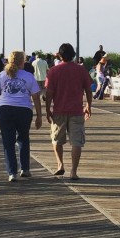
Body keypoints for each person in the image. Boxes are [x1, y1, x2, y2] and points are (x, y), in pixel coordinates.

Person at [0, 50, 43, 182]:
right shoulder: (29, 76)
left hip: (5, 109)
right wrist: (39, 116)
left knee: (8, 141)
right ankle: (25, 169)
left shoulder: (2, 75)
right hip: (24, 110)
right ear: (22, 61)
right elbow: (36, 97)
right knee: (23, 138)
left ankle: (12, 172)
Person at [44, 42, 93, 180]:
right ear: (73, 55)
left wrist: (48, 110)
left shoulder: (54, 71)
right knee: (76, 142)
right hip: (77, 111)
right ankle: (74, 171)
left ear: (60, 55)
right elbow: (88, 90)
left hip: (59, 111)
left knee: (57, 140)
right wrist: (88, 105)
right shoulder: (81, 70)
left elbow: (49, 93)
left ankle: (60, 165)